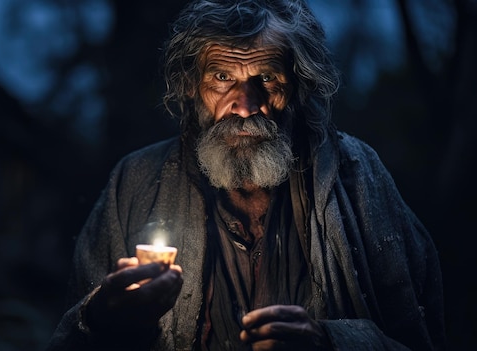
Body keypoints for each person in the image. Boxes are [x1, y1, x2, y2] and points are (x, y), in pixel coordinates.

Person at [45, 0, 445, 350]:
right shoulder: (136, 181)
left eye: (267, 78)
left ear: (299, 84)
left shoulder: (357, 176)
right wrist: (102, 317)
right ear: (191, 87)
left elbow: (422, 338)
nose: (245, 105)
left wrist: (330, 342)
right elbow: (71, 337)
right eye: (222, 78)